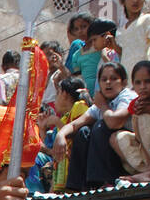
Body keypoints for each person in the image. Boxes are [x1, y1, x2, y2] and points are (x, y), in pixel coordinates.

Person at [57, 61, 137, 191]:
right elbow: (76, 124)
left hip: (129, 158)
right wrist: (60, 135)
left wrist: (103, 106)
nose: (108, 83)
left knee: (101, 125)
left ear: (123, 82)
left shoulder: (127, 96)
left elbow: (114, 122)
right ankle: (78, 186)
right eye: (104, 79)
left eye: (113, 79)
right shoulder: (102, 103)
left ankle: (105, 181)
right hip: (110, 158)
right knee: (83, 132)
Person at [111, 61, 150, 175]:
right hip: (146, 151)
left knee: (145, 117)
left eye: (148, 82)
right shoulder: (135, 103)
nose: (143, 87)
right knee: (117, 138)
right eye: (138, 83)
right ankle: (146, 171)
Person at [49, 78, 90, 192]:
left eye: (57, 93)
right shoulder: (64, 118)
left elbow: (77, 134)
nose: (54, 99)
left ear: (64, 93)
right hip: (64, 178)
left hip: (78, 177)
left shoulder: (80, 106)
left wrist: (57, 122)